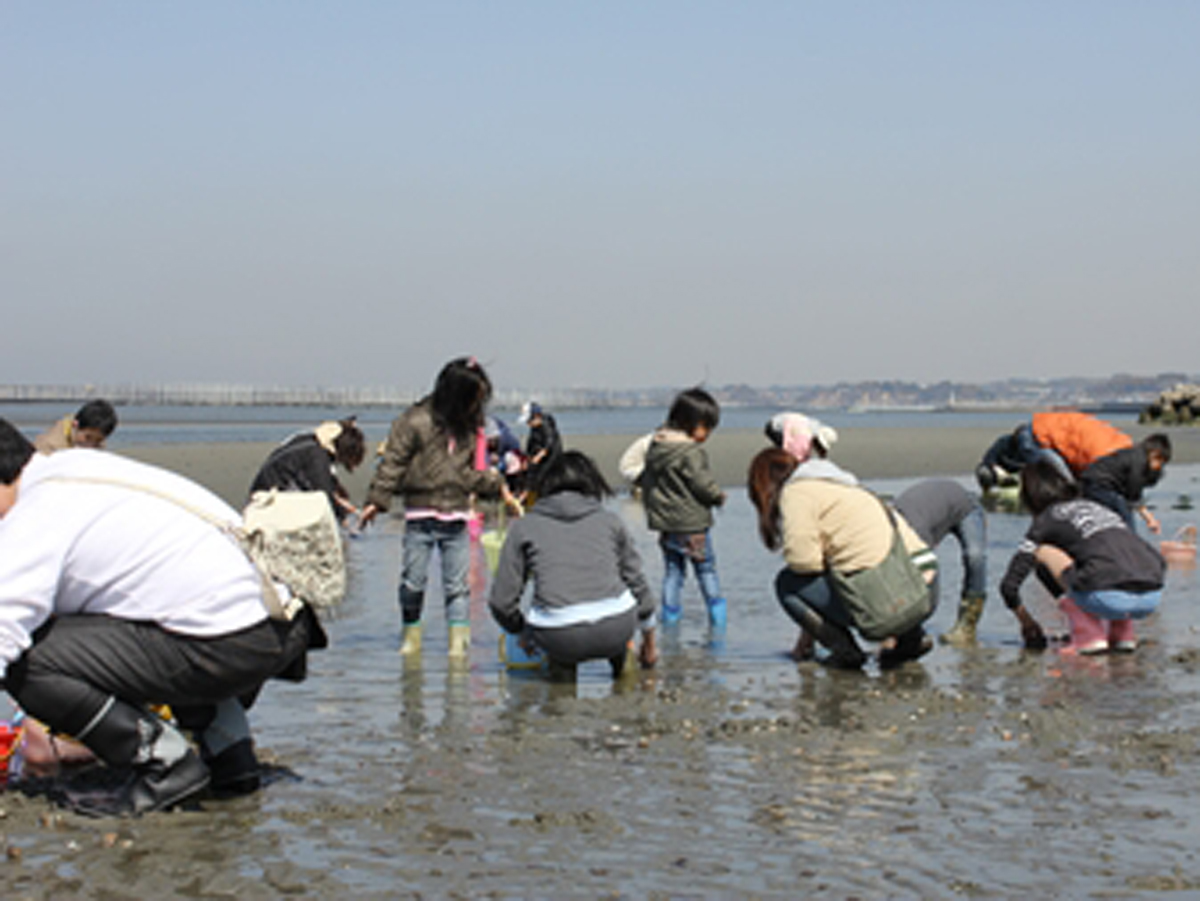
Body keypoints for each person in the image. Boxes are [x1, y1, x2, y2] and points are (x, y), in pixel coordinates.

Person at [0, 418, 322, 816]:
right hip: (278, 627)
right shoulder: (78, 468)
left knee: (29, 662)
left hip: (228, 644)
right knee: (156, 615)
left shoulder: (34, 514)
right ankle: (231, 758)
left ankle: (165, 766)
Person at [359, 358, 515, 657]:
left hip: (456, 516)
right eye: (472, 398)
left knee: (458, 586)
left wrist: (497, 486)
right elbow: (393, 463)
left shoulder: (470, 429)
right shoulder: (414, 421)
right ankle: (411, 636)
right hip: (420, 514)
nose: (476, 406)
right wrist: (376, 501)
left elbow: (466, 473)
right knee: (412, 582)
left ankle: (458, 644)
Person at [747, 447, 938, 669]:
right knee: (874, 560)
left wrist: (826, 561)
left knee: (787, 584)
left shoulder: (796, 492)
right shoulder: (841, 483)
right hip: (927, 592)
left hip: (886, 606)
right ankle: (911, 639)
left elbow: (803, 561)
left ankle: (845, 651)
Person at [489, 451, 658, 676]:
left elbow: (501, 602)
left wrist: (523, 632)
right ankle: (625, 681)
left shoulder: (525, 527)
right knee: (619, 640)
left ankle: (563, 689)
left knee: (561, 658)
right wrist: (649, 643)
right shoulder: (610, 521)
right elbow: (638, 585)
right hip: (616, 626)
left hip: (558, 633)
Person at [999, 458, 1165, 654]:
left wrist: (1026, 622)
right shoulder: (1097, 507)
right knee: (1110, 558)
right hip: (1151, 596)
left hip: (1108, 597)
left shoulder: (1047, 518)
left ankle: (1087, 634)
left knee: (1042, 552)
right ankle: (1122, 633)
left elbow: (1009, 585)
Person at [640, 388, 728, 628]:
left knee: (673, 573)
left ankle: (670, 621)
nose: (708, 434)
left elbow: (647, 482)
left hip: (667, 525)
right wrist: (717, 496)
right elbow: (702, 484)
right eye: (707, 427)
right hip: (693, 526)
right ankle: (718, 621)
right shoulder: (690, 453)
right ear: (693, 424)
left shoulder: (656, 446)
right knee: (706, 570)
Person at [893, 480, 988, 646]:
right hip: (935, 510)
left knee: (974, 556)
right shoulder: (891, 532)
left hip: (967, 507)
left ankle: (967, 625)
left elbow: (930, 578)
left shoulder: (915, 532)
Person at [975, 411, 1132, 491]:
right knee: (1064, 485)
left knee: (1066, 483)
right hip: (1038, 435)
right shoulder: (1111, 451)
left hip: (1040, 432)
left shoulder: (1116, 447)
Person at [249, 418, 366, 523]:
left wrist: (338, 493)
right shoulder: (317, 457)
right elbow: (325, 495)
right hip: (266, 501)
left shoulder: (308, 441)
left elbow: (325, 482)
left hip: (261, 492)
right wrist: (343, 518)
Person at [1080, 433, 1172, 534]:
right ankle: (1130, 537)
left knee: (1120, 506)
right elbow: (1133, 496)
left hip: (1095, 481)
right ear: (1154, 454)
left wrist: (1149, 518)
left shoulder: (1136, 454)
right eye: (1161, 462)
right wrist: (1150, 519)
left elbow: (1134, 495)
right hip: (1096, 484)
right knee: (1123, 509)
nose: (1160, 466)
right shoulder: (1139, 463)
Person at [33, 399, 119, 453]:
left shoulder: (97, 440)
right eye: (87, 437)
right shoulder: (49, 446)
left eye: (98, 440)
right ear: (75, 425)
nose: (90, 445)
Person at [521, 401, 563, 485]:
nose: (528, 423)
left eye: (529, 420)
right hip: (538, 454)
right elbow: (531, 442)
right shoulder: (534, 426)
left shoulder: (546, 425)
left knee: (541, 476)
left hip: (551, 456)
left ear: (537, 416)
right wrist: (527, 458)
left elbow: (549, 442)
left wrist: (539, 456)